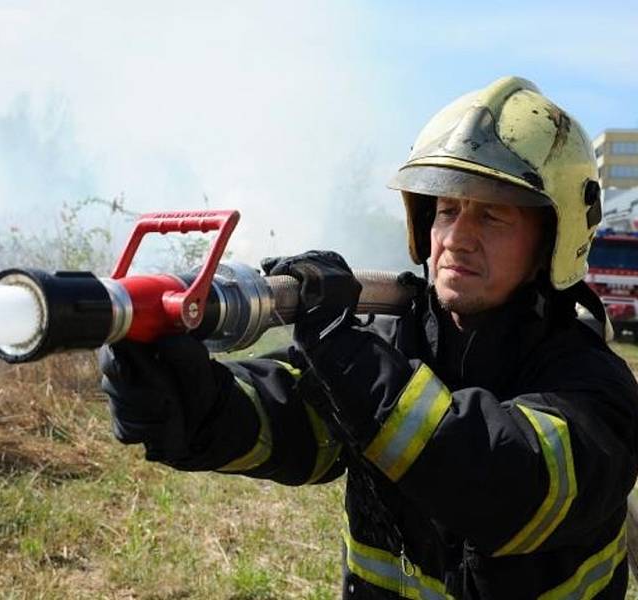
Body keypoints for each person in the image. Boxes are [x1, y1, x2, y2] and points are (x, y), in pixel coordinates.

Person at [100, 76, 638, 599]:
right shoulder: (394, 345)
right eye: (447, 210)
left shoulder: (595, 390)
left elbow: (500, 484)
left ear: (555, 239)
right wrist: (185, 399)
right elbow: (290, 421)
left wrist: (347, 354)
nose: (456, 238)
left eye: (493, 216)